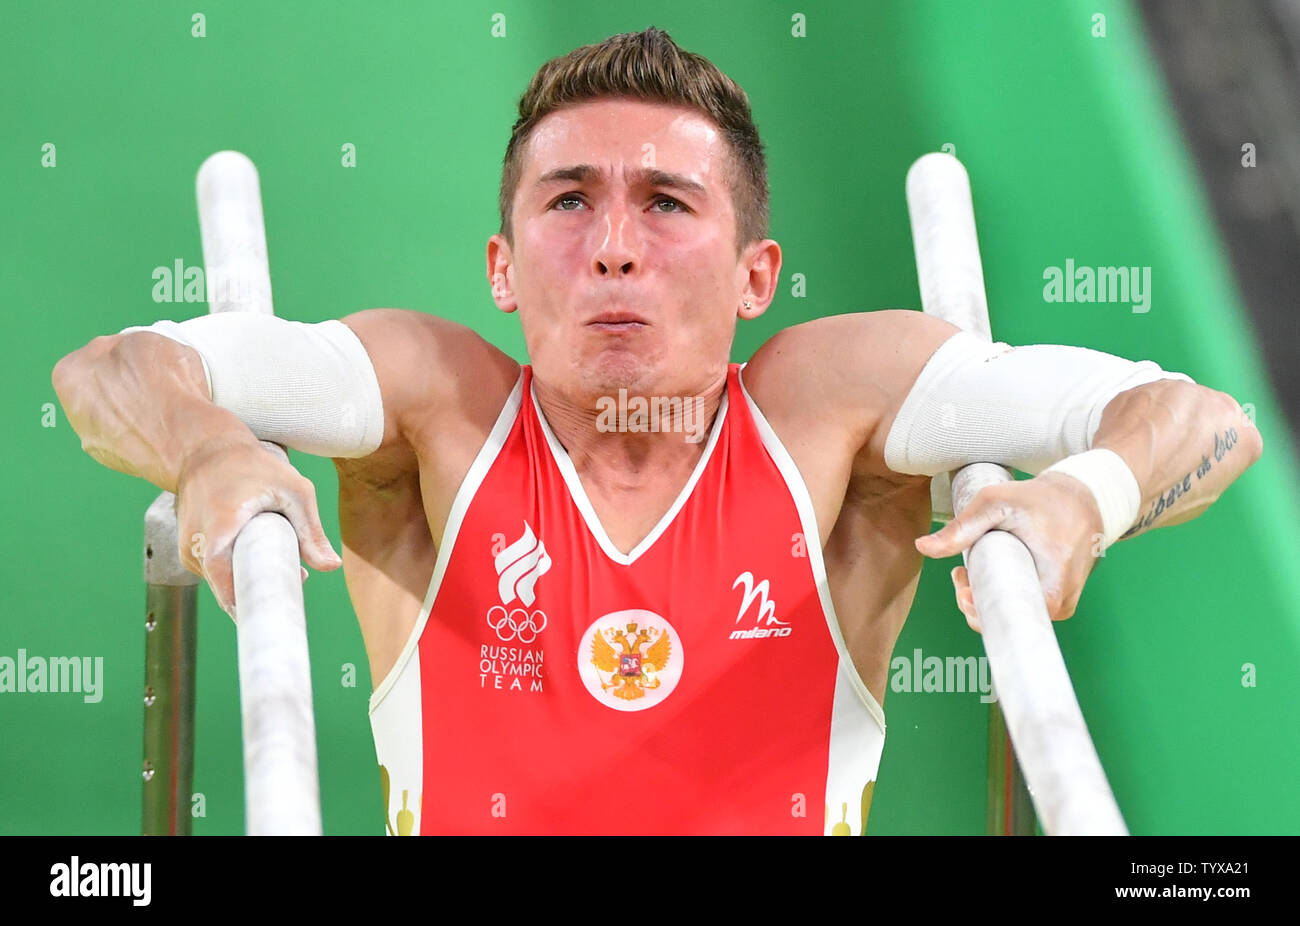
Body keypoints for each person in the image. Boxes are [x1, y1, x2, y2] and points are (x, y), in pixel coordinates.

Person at [51, 27, 1262, 835]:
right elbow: (115, 369)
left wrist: (1080, 498)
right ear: (505, 267)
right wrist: (209, 447)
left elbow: (1198, 421)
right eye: (569, 199)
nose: (614, 243)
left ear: (754, 275)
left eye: (666, 203)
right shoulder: (434, 399)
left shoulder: (828, 404)